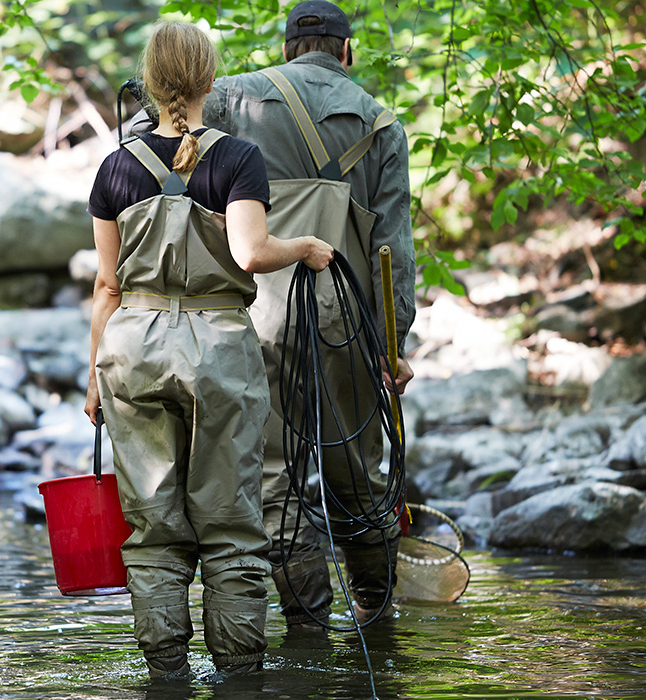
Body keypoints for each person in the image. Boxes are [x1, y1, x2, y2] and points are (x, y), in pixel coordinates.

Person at [82, 22, 334, 678]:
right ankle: (239, 679)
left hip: (131, 350)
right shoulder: (238, 158)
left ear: (150, 80)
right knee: (229, 524)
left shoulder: (115, 167)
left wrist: (91, 381)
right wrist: (304, 248)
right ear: (209, 83)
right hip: (217, 349)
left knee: (154, 528)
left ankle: (166, 675)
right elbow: (251, 253)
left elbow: (107, 286)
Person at [198, 0, 418, 628]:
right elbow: (392, 252)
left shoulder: (231, 100)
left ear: (288, 48)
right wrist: (393, 344)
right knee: (358, 473)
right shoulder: (381, 124)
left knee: (274, 479)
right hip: (344, 318)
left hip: (254, 317)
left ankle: (308, 626)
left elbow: (146, 133)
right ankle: (376, 611)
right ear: (347, 51)